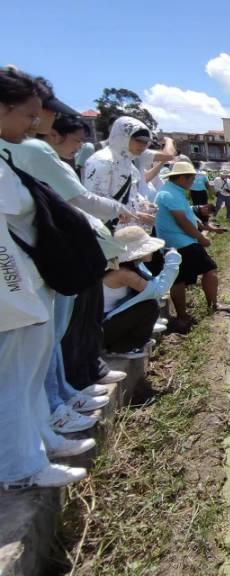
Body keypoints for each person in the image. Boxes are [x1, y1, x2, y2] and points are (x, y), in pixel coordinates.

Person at [0, 67, 90, 490]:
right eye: (28, 114)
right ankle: (19, 469)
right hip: (12, 288)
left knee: (29, 374)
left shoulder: (7, 151)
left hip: (28, 282)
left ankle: (42, 441)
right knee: (14, 379)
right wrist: (16, 291)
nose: (36, 124)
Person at [155, 161, 229, 331]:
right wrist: (201, 239)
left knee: (179, 279)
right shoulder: (170, 195)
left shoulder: (172, 192)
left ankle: (183, 316)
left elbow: (189, 216)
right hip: (182, 242)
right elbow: (182, 221)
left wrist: (208, 228)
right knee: (210, 269)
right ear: (181, 178)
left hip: (173, 243)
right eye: (191, 179)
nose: (192, 182)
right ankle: (213, 305)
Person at [103, 226, 180, 357]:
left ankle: (129, 342)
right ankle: (121, 348)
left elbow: (152, 284)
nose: (152, 251)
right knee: (149, 306)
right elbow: (158, 290)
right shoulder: (123, 273)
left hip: (107, 322)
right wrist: (173, 261)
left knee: (148, 302)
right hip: (101, 328)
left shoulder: (130, 267)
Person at [83, 116, 156, 221]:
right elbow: (96, 202)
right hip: (105, 229)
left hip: (125, 227)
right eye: (139, 140)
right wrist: (136, 214)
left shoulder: (128, 163)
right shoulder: (102, 160)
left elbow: (130, 194)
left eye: (146, 142)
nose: (143, 146)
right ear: (124, 136)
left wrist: (143, 204)